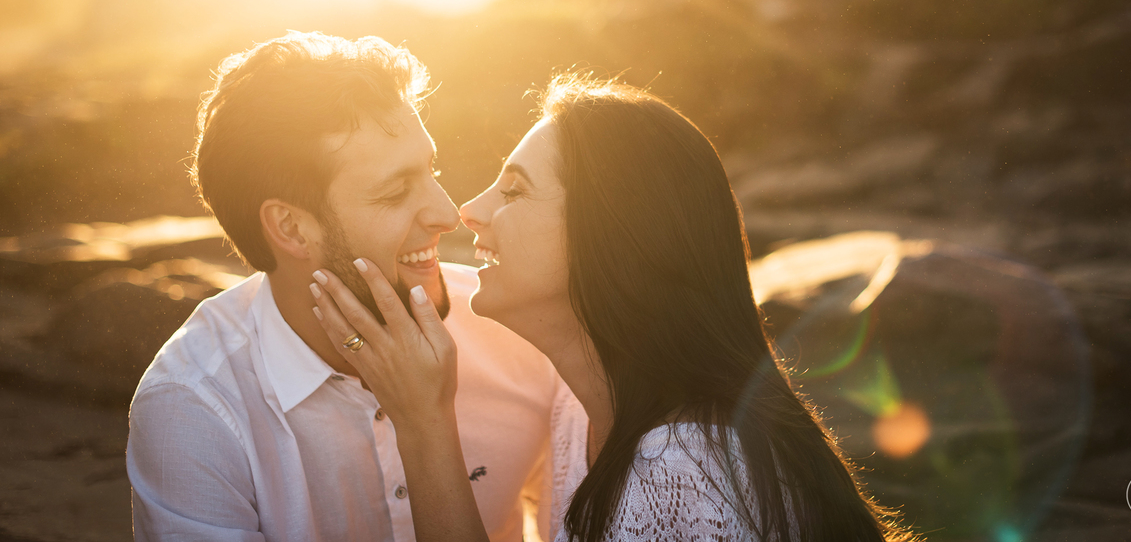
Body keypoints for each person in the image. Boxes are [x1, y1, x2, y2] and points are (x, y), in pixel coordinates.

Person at [311, 75, 916, 542]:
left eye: (515, 190)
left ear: (612, 234)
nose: (469, 209)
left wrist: (423, 424)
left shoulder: (682, 472)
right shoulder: (586, 418)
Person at [126, 32, 561, 541]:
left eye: (431, 170)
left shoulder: (522, 330)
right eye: (396, 190)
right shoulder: (193, 408)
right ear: (291, 229)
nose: (449, 214)